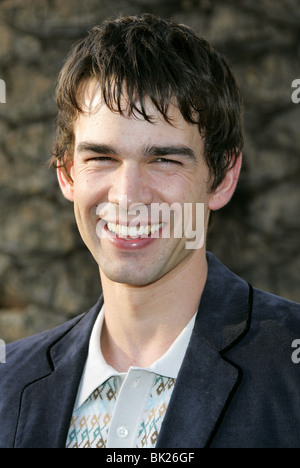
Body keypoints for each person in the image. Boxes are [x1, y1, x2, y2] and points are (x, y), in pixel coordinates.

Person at [0, 14, 299, 449]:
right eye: (101, 158)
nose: (127, 196)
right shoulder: (9, 384)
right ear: (66, 173)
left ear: (222, 178)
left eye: (164, 160)